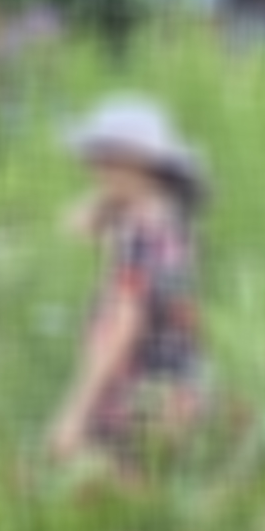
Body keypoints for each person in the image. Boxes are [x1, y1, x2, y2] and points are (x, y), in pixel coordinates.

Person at [47, 96, 207, 465]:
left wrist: (75, 412)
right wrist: (107, 206)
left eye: (105, 161)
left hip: (141, 400)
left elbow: (124, 320)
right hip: (180, 390)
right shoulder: (170, 221)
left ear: (134, 165)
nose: (95, 171)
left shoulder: (139, 233)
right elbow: (74, 225)